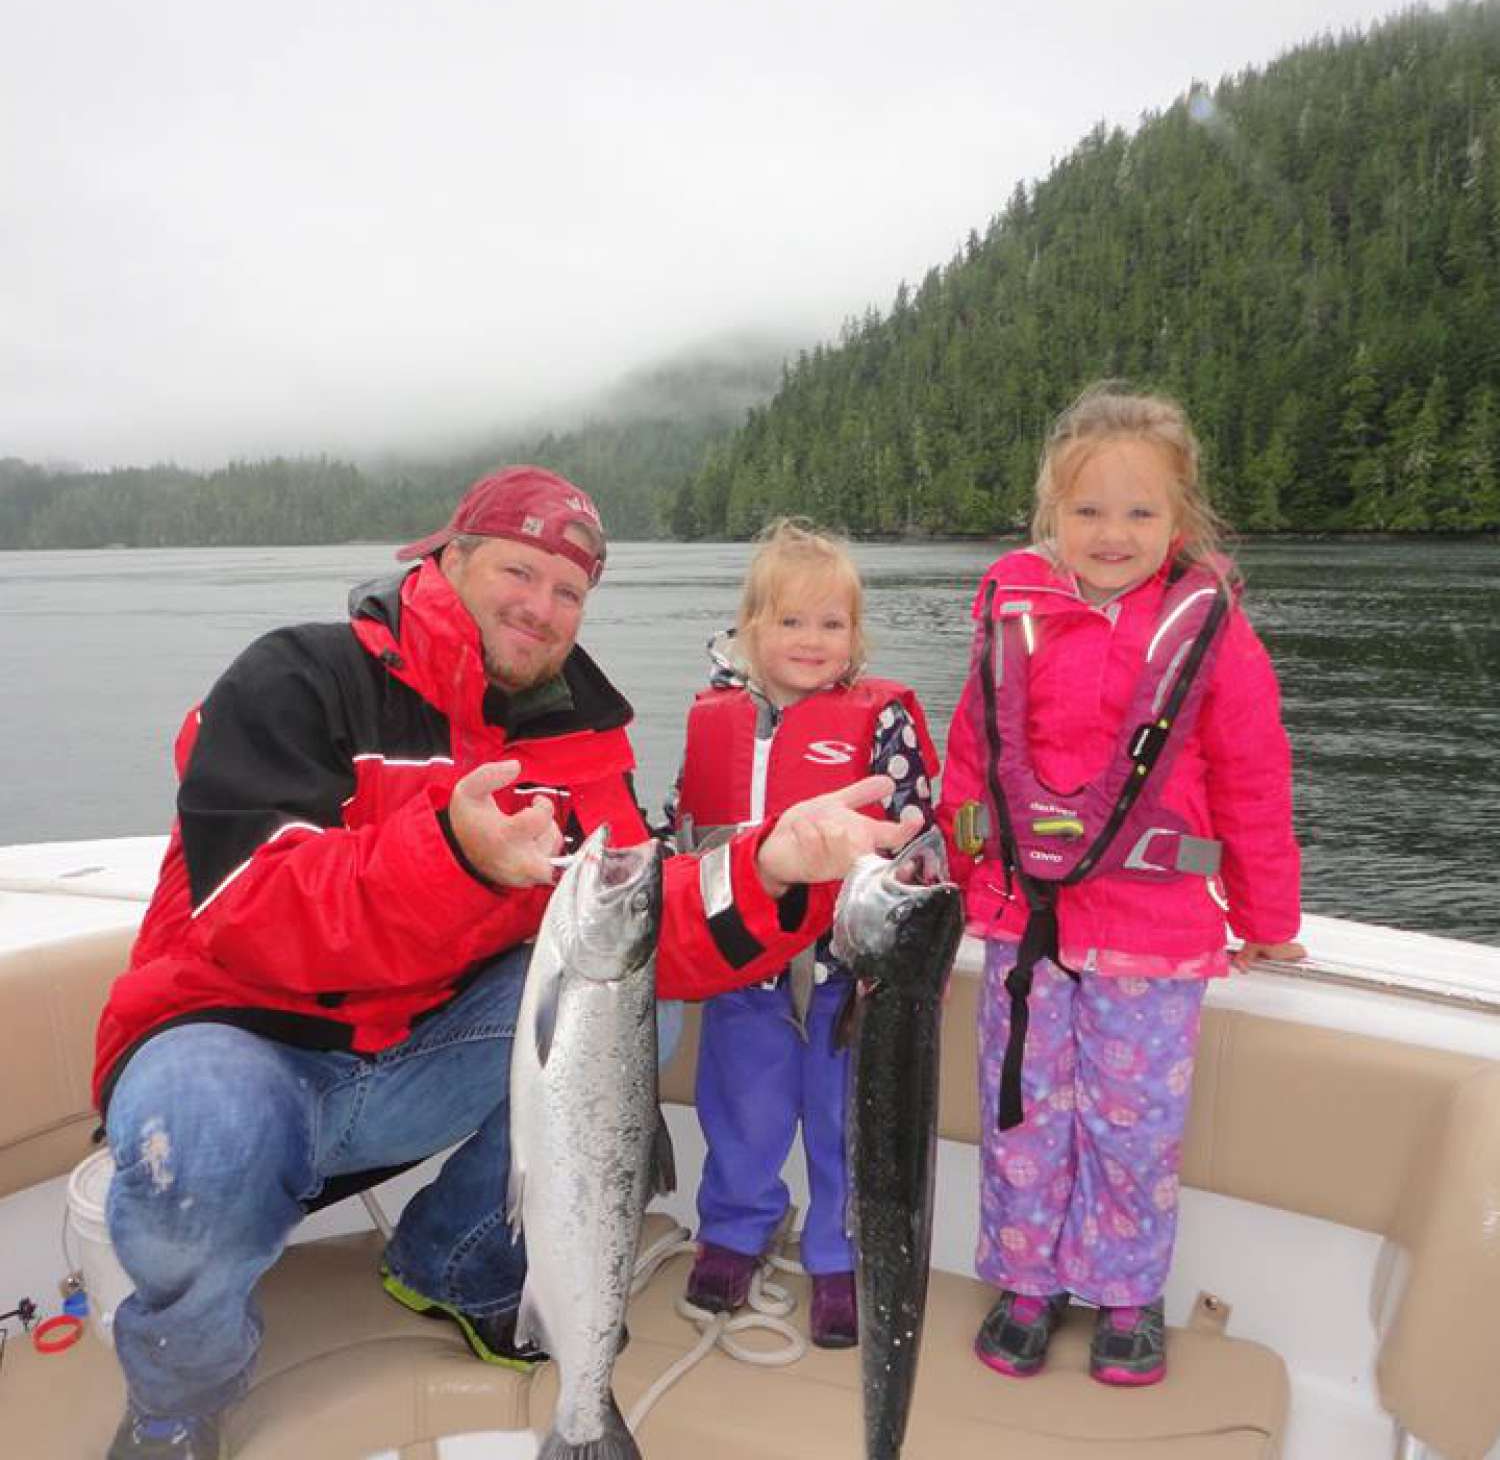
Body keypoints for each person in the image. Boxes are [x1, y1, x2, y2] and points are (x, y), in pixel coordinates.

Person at [93, 467, 922, 1460]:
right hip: (240, 1050)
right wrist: (454, 854)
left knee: (627, 1008)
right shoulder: (295, 679)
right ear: (449, 559)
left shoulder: (575, 739)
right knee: (206, 1130)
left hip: (417, 1063)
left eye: (569, 591)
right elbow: (250, 915)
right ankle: (179, 1401)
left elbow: (640, 918)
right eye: (519, 572)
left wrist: (775, 866)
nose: (542, 606)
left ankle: (457, 1263)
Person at [937, 383, 1304, 1389]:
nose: (1112, 533)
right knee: (1021, 1114)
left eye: (1140, 512)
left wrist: (1269, 917)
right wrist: (965, 878)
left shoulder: (1212, 634)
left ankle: (1126, 1293)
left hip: (1155, 933)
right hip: (1025, 928)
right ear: (1050, 518)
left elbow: (1253, 780)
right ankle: (1025, 1280)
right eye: (1087, 510)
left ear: (1180, 522)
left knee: (1132, 1126)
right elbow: (972, 769)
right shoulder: (1015, 620)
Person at [668, 519, 937, 1349]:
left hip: (843, 975)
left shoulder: (883, 721)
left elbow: (919, 835)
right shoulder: (711, 718)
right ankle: (735, 1232)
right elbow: (682, 832)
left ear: (856, 635)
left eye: (833, 623)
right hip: (740, 969)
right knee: (740, 1113)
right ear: (751, 629)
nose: (813, 640)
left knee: (839, 1120)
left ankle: (839, 1252)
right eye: (791, 622)